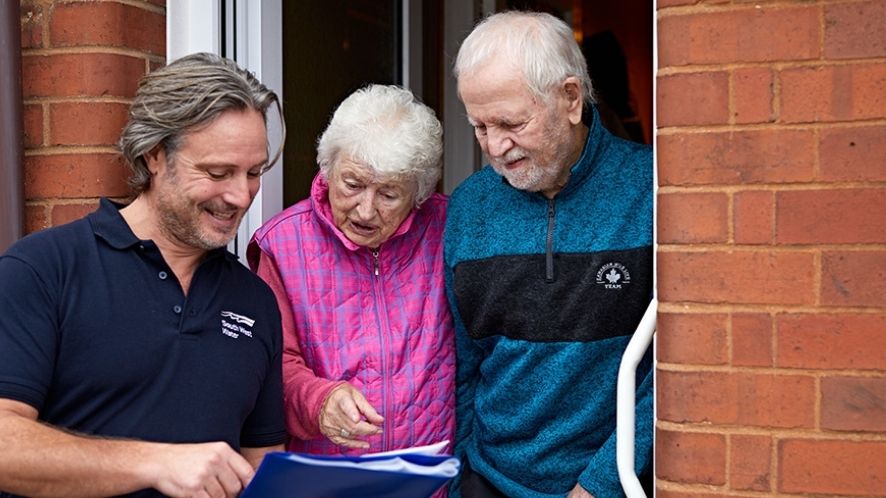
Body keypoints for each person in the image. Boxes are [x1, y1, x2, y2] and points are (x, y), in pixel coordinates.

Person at [0, 52, 287, 498]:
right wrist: (153, 461)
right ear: (154, 155)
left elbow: (260, 461)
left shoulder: (255, 301)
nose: (239, 195)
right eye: (217, 172)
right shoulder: (43, 270)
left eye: (253, 173)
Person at [445, 11, 653, 498]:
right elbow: (462, 365)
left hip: (613, 483)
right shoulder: (468, 208)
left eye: (511, 122)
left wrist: (602, 484)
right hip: (487, 481)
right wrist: (460, 478)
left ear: (571, 99)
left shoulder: (652, 190)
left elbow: (673, 367)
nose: (495, 147)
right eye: (479, 127)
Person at [248, 85, 455, 457]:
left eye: (389, 194)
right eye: (352, 184)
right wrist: (319, 402)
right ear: (328, 169)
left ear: (419, 193)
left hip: (432, 478)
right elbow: (270, 363)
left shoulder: (450, 228)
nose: (364, 210)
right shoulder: (282, 245)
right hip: (328, 479)